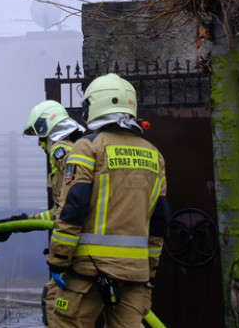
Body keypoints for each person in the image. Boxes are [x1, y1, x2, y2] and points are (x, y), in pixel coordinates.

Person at [48, 74, 169, 328]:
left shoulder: (88, 147)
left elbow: (73, 209)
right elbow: (160, 219)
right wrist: (150, 269)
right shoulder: (154, 155)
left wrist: (58, 260)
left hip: (87, 272)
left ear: (94, 105)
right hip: (135, 275)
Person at [0, 100, 85, 327]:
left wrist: (60, 256)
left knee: (54, 303)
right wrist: (17, 223)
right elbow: (58, 212)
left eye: (40, 138)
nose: (40, 145)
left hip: (80, 253)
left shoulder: (64, 153)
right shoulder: (76, 151)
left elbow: (68, 212)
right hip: (82, 252)